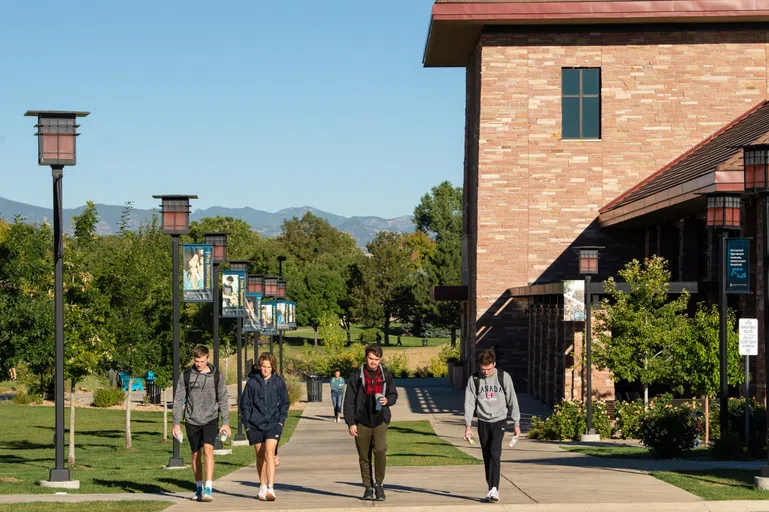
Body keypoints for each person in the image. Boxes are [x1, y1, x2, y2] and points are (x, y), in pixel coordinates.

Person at [172, 345, 230, 503]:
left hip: (211, 418)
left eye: (202, 361)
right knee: (195, 454)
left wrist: (225, 422)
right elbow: (178, 400)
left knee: (208, 450)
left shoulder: (217, 376)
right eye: (196, 361)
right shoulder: (186, 376)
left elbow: (223, 399)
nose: (199, 364)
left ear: (208, 358)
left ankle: (208, 488)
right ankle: (198, 488)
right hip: (192, 419)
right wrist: (176, 423)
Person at [463, 349, 521, 503]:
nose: (486, 372)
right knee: (486, 454)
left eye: (489, 369)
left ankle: (495, 488)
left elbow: (512, 400)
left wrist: (516, 423)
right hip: (483, 421)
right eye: (483, 369)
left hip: (500, 420)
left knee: (495, 452)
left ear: (494, 364)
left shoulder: (503, 377)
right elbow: (469, 403)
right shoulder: (474, 379)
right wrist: (468, 426)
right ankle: (491, 488)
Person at [343, 345, 398, 502]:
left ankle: (379, 485)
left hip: (380, 420)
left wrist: (388, 400)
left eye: (376, 359)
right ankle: (368, 487)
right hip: (362, 421)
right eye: (370, 358)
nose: (373, 362)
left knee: (380, 451)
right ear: (366, 357)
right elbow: (349, 402)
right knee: (364, 456)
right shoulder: (356, 376)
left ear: (380, 359)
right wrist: (351, 423)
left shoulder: (385, 374)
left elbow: (393, 394)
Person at [240, 352, 289, 501]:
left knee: (269, 452)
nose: (265, 370)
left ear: (273, 368)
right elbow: (245, 405)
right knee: (260, 455)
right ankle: (262, 486)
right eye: (263, 367)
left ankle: (271, 488)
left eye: (268, 367)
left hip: (273, 423)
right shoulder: (252, 383)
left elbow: (285, 403)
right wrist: (247, 426)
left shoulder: (278, 382)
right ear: (259, 366)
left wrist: (281, 421)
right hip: (255, 424)